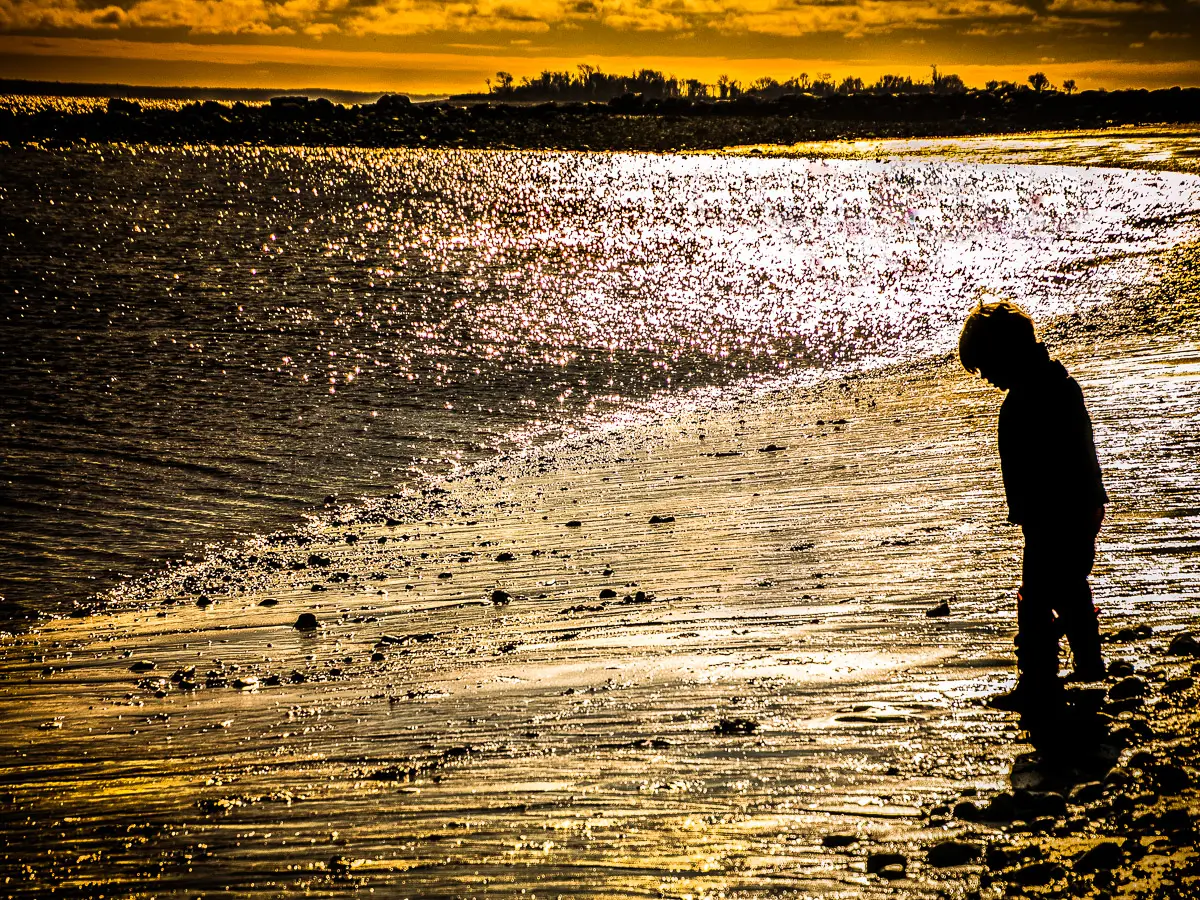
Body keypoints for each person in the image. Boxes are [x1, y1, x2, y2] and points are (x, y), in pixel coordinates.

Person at [959, 301, 1108, 712]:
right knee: (1069, 586)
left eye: (986, 367)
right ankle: (1089, 664)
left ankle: (1038, 676)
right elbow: (1085, 455)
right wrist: (1093, 504)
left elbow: (1046, 465)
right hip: (1080, 506)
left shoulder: (1027, 401)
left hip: (1052, 513)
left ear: (1003, 352)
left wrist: (1029, 513)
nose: (987, 378)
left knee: (1040, 594)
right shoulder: (1061, 386)